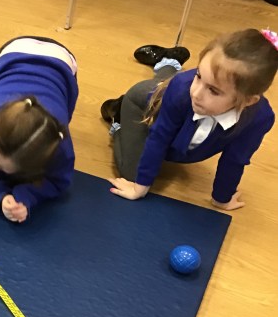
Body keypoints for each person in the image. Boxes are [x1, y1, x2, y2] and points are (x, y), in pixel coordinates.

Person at [104, 29, 278, 210]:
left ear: (249, 101)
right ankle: (118, 114)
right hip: (141, 103)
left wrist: (222, 198)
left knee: (176, 88)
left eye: (213, 91)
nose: (196, 93)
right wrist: (139, 188)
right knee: (132, 175)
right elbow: (159, 138)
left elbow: (235, 158)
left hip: (172, 96)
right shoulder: (183, 89)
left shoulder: (260, 118)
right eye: (198, 75)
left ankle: (167, 62)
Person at [0, 36, 79, 223]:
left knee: (60, 108)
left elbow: (58, 181)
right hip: (11, 53)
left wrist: (27, 195)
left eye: (3, 166)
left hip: (61, 66)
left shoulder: (60, 146)